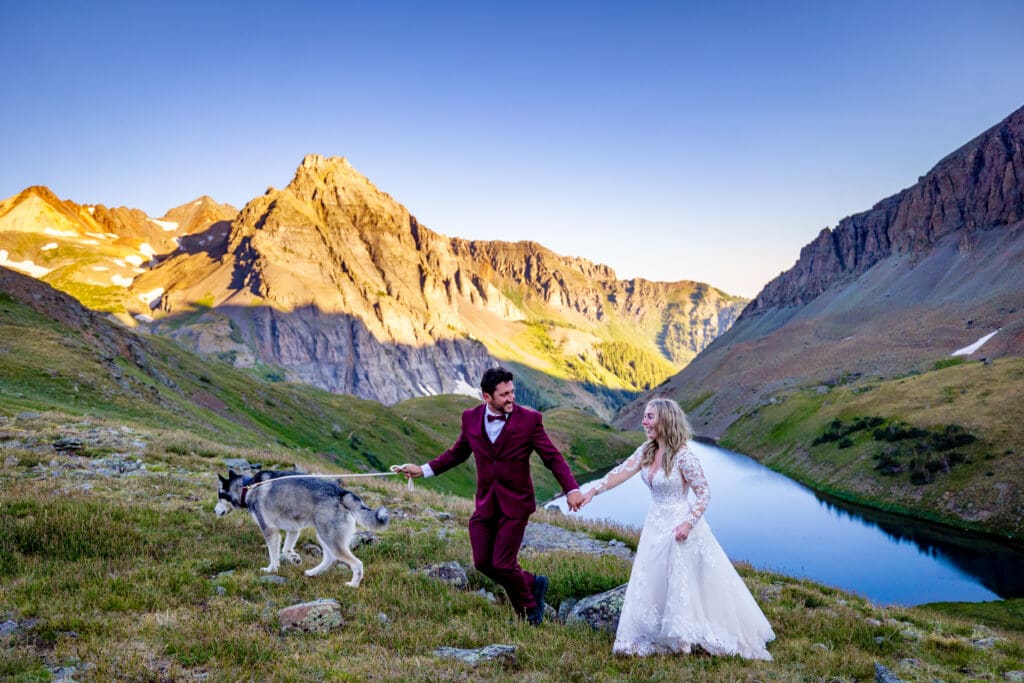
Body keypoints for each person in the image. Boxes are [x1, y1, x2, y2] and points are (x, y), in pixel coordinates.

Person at [578, 397, 775, 659]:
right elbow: (620, 472)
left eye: (650, 417)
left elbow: (704, 493)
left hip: (679, 526)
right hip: (655, 523)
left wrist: (688, 523)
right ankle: (656, 629)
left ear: (666, 420)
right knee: (653, 576)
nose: (644, 421)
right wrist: (592, 491)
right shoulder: (646, 451)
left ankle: (684, 634)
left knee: (682, 580)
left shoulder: (684, 456)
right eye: (645, 416)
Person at [397, 366, 585, 625]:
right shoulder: (470, 418)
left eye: (512, 392)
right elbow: (457, 453)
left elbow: (552, 457)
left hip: (516, 504)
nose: (511, 398)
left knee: (504, 563)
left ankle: (530, 609)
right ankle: (533, 583)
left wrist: (571, 489)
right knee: (484, 562)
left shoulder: (530, 421)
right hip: (486, 502)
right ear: (487, 397)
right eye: (504, 394)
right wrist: (423, 470)